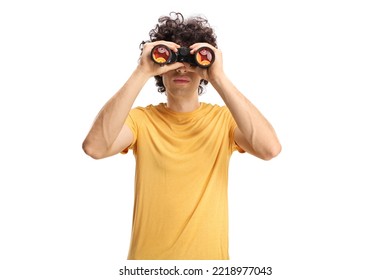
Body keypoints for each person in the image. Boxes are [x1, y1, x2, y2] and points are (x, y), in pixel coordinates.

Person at [82, 12, 281, 260]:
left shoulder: (224, 121)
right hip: (148, 267)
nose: (182, 68)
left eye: (192, 60)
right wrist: (142, 71)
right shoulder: (141, 121)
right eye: (173, 59)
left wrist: (218, 76)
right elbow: (95, 148)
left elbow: (270, 149)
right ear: (160, 68)